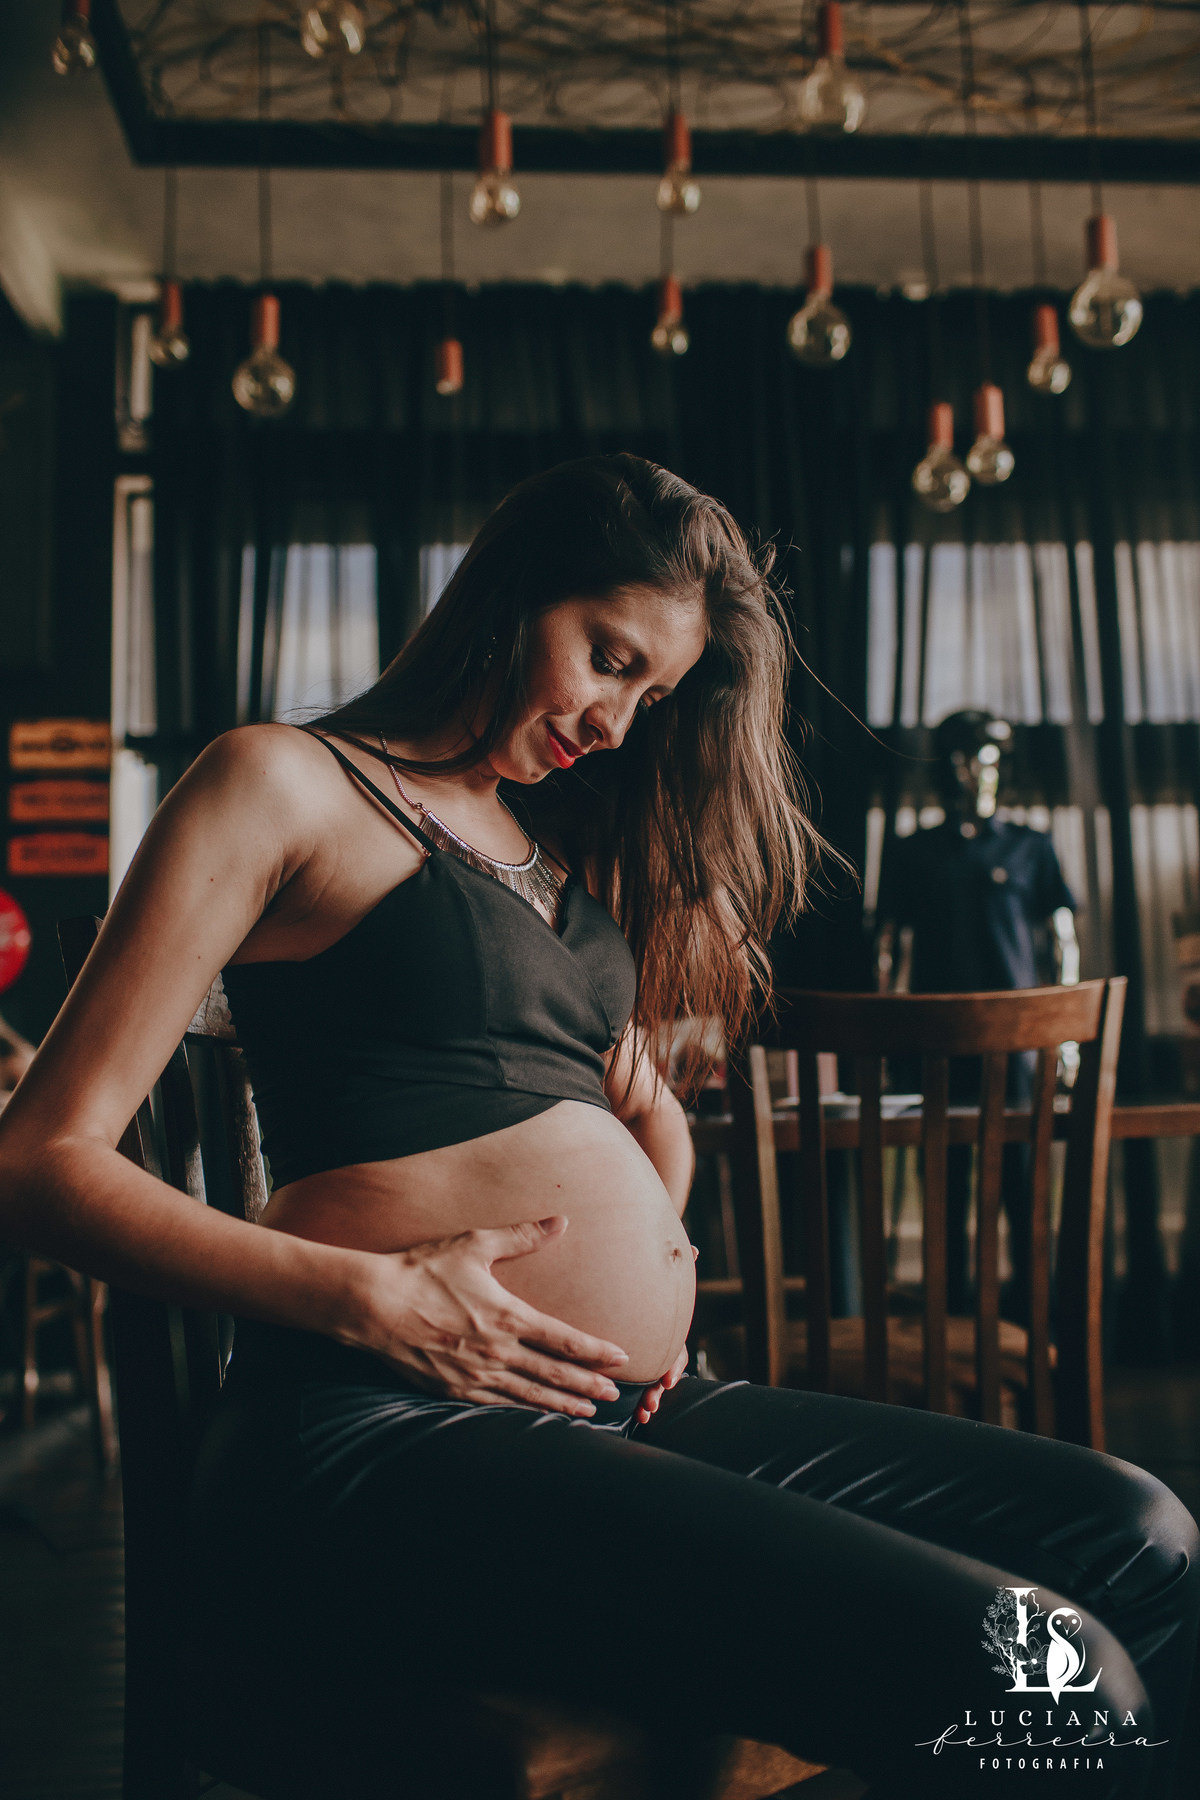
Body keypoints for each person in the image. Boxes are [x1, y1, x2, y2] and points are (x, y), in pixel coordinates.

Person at [0, 457, 1195, 1800]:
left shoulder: (552, 853)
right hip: (386, 1431)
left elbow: (539, 1129)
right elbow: (41, 1165)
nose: (618, 720)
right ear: (511, 591)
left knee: (1140, 1536)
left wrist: (655, 1165)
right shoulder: (282, 782)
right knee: (1041, 1672)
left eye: (655, 693)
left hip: (631, 1410)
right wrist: (367, 1297)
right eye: (608, 657)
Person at [875, 710, 1081, 1321]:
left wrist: (1066, 1039)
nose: (978, 774)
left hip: (1017, 1049)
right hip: (937, 1044)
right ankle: (952, 1320)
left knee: (1023, 1186)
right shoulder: (913, 852)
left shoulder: (1031, 846)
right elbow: (889, 947)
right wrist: (888, 1034)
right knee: (946, 1186)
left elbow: (1064, 939)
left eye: (989, 761)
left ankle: (1029, 1320)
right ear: (948, 771)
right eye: (966, 761)